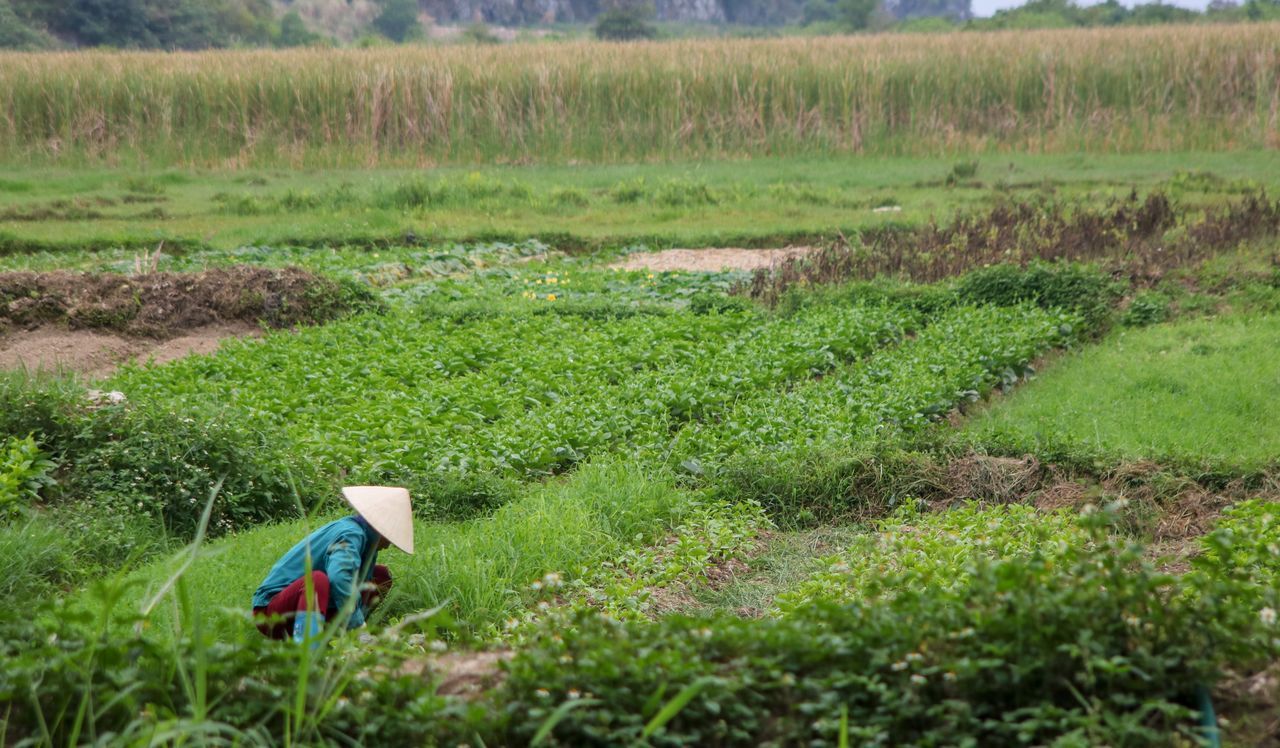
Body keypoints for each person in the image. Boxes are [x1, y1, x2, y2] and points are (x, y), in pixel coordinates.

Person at [252, 486, 414, 644]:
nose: (388, 546)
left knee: (380, 576)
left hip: (312, 604)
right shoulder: (351, 534)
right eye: (389, 538)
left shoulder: (367, 541)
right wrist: (358, 625)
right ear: (379, 529)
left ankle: (340, 635)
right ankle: (307, 649)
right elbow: (340, 578)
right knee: (317, 580)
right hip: (271, 612)